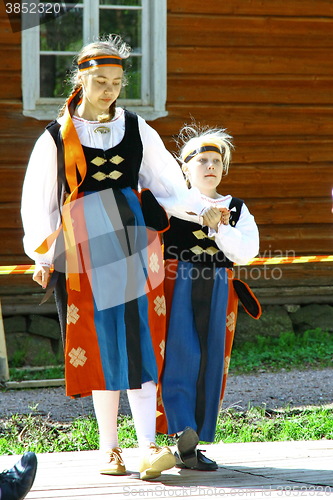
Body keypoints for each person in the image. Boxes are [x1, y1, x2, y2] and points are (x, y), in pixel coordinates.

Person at [21, 35, 213, 480]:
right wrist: (43, 253)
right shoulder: (56, 138)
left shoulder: (138, 128)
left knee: (143, 338)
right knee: (101, 342)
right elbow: (41, 203)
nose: (110, 90)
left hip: (136, 243)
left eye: (117, 82)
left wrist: (203, 208)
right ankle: (111, 449)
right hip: (85, 249)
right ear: (82, 79)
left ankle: (147, 446)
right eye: (101, 81)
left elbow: (167, 183)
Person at [156, 124, 261, 470]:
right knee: (178, 354)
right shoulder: (173, 204)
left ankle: (193, 443)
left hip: (218, 287)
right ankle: (177, 431)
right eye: (202, 160)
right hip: (177, 284)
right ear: (185, 167)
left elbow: (246, 252)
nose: (211, 166)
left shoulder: (237, 208)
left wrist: (219, 227)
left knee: (210, 359)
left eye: (217, 160)